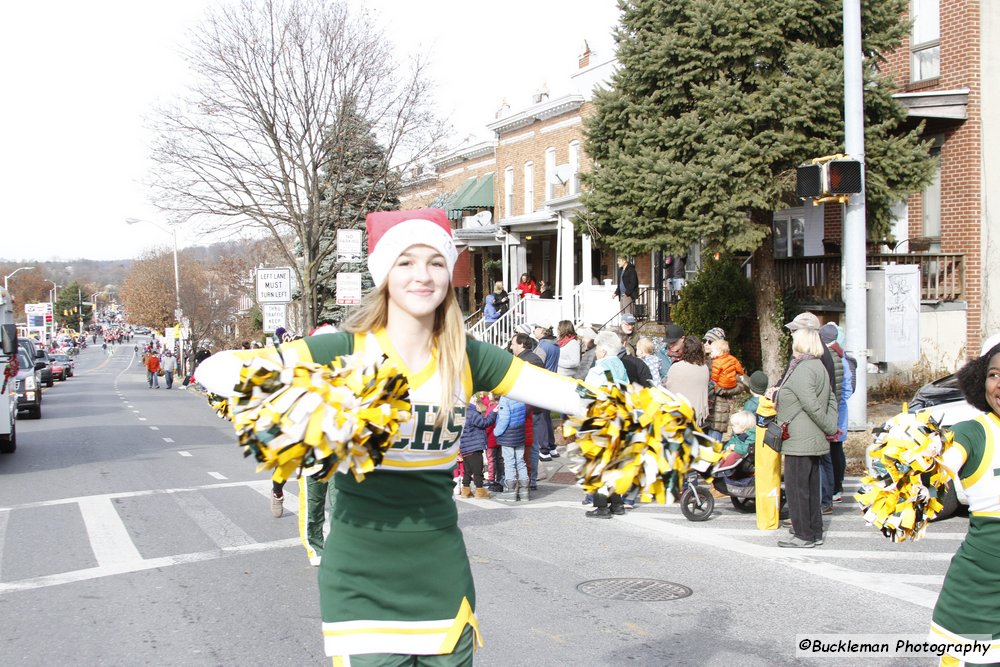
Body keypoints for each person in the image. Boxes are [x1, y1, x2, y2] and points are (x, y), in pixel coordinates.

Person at [195, 208, 585, 663]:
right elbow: (216, 370)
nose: (422, 275)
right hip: (361, 581)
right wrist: (318, 405)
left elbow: (571, 395)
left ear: (449, 274)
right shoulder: (344, 350)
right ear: (383, 274)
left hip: (440, 576)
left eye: (435, 262)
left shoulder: (466, 355)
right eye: (406, 262)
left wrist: (650, 410)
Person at [931, 334, 1000, 664]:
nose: (999, 384)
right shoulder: (974, 432)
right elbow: (944, 462)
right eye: (994, 375)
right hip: (976, 603)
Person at [773, 323, 838, 549]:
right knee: (811, 487)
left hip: (799, 437)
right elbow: (830, 399)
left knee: (797, 488)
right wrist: (830, 425)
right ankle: (814, 532)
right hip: (813, 436)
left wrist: (828, 427)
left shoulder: (801, 369)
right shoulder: (818, 366)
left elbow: (810, 404)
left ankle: (803, 534)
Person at [584, 330, 629, 519]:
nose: (595, 352)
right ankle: (617, 503)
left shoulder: (598, 370)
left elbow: (587, 394)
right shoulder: (620, 367)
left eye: (597, 349)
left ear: (602, 350)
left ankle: (601, 505)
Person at [818, 322, 852, 513]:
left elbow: (839, 389)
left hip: (833, 412)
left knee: (830, 454)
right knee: (836, 450)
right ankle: (836, 488)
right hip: (840, 411)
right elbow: (847, 388)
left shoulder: (830, 358)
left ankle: (832, 489)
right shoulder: (843, 357)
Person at [664, 336, 710, 426]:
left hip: (680, 413)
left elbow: (668, 388)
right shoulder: (704, 368)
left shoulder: (677, 367)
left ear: (684, 350)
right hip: (697, 412)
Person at [705, 337, 746, 441]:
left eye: (710, 342)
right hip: (706, 410)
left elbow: (740, 385)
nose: (706, 344)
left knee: (714, 441)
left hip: (720, 409)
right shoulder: (705, 362)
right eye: (704, 341)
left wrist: (723, 391)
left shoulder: (725, 363)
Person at [459, 393, 497, 499]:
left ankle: (465, 490)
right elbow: (484, 423)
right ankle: (480, 491)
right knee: (477, 470)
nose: (476, 399)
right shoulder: (471, 412)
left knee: (467, 470)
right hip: (474, 447)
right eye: (473, 397)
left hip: (465, 447)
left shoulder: (462, 412)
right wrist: (493, 413)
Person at [494, 393, 529, 502]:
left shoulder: (505, 398)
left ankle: (511, 491)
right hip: (519, 432)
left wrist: (496, 432)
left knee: (509, 462)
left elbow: (504, 419)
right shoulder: (521, 396)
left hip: (508, 434)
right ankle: (524, 491)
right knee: (520, 461)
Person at [532, 322, 560, 461]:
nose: (534, 330)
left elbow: (537, 364)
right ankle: (551, 447)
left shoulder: (543, 346)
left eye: (536, 328)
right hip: (553, 382)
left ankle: (544, 450)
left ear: (542, 330)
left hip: (542, 383)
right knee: (547, 417)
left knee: (541, 417)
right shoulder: (554, 344)